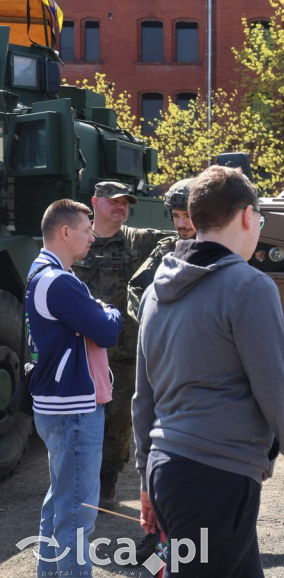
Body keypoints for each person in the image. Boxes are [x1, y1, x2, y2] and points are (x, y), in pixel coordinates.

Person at [133, 165, 284, 578]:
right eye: (260, 217)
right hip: (215, 479)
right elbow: (280, 389)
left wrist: (146, 475)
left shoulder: (155, 290)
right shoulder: (248, 286)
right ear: (247, 216)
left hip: (168, 469)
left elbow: (143, 396)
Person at [27, 199, 122, 578]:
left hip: (57, 408)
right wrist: (109, 310)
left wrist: (96, 314)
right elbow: (107, 330)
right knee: (76, 518)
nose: (92, 236)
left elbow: (93, 324)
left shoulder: (42, 273)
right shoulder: (60, 282)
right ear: (65, 232)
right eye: (86, 229)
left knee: (59, 509)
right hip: (74, 411)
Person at [73, 181, 168, 508]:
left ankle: (106, 488)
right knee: (78, 421)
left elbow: (181, 240)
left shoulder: (139, 240)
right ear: (95, 202)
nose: (121, 206)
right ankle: (77, 484)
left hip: (124, 354)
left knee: (117, 424)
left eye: (125, 202)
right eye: (114, 201)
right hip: (81, 352)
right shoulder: (75, 238)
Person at [126, 178, 196, 321]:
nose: (181, 224)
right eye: (176, 216)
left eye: (187, 216)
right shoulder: (167, 248)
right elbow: (136, 288)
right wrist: (155, 321)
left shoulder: (222, 250)